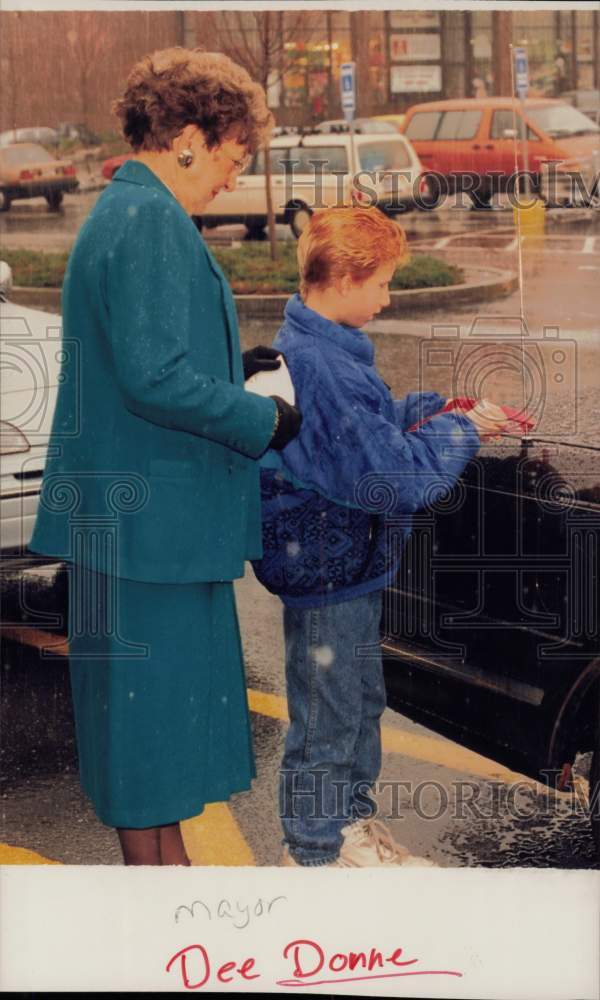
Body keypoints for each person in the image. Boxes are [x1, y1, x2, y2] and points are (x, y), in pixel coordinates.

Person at [29, 47, 301, 866]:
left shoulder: (127, 209)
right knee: (151, 750)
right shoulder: (148, 219)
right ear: (188, 137)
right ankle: (169, 926)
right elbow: (153, 378)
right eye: (231, 155)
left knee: (144, 747)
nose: (231, 176)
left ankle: (162, 903)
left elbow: (139, 359)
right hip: (154, 535)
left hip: (135, 529)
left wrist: (233, 364)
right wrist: (264, 417)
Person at [253, 207, 510, 867]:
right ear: (341, 277)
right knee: (330, 717)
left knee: (354, 703)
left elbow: (362, 431)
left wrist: (429, 410)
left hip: (337, 562)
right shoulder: (325, 365)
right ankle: (315, 852)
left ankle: (347, 835)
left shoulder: (320, 348)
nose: (388, 297)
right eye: (382, 283)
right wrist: (464, 431)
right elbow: (390, 475)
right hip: (330, 567)